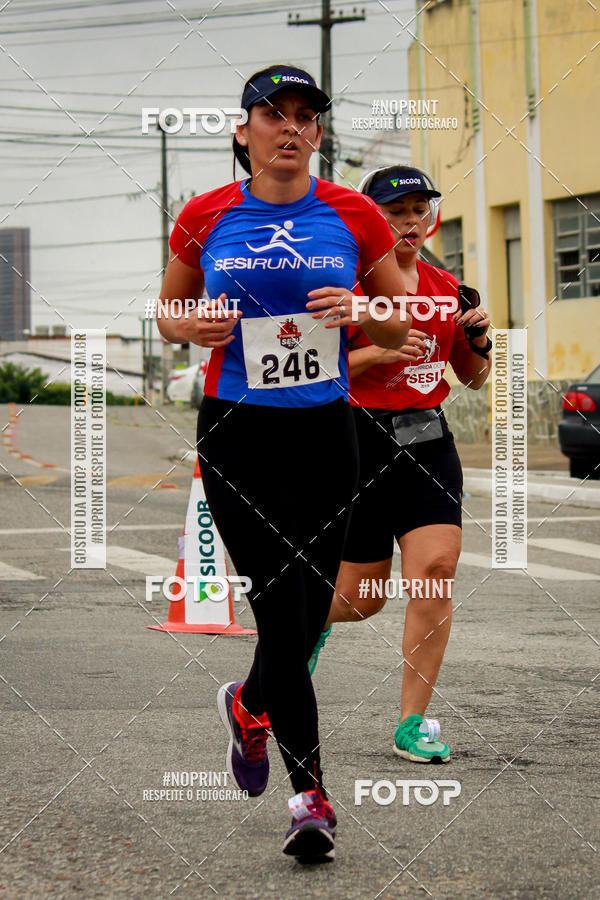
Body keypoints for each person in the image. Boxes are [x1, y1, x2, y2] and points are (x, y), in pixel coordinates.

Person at [156, 67, 411, 860]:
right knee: (279, 607)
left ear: (318, 136)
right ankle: (311, 795)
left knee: (303, 611)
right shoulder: (205, 216)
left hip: (326, 432)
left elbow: (401, 327)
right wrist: (190, 326)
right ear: (244, 133)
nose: (291, 128)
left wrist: (363, 310)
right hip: (237, 430)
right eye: (274, 116)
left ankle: (248, 704)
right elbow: (168, 309)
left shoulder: (355, 214)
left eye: (306, 117)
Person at [309, 165, 492, 764]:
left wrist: (481, 343)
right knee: (362, 598)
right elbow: (314, 369)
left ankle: (413, 722)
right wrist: (381, 348)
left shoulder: (449, 287)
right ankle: (305, 624)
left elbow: (470, 376)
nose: (409, 222)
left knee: (435, 571)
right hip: (357, 442)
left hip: (429, 442)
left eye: (419, 210)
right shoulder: (350, 287)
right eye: (396, 211)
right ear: (369, 218)